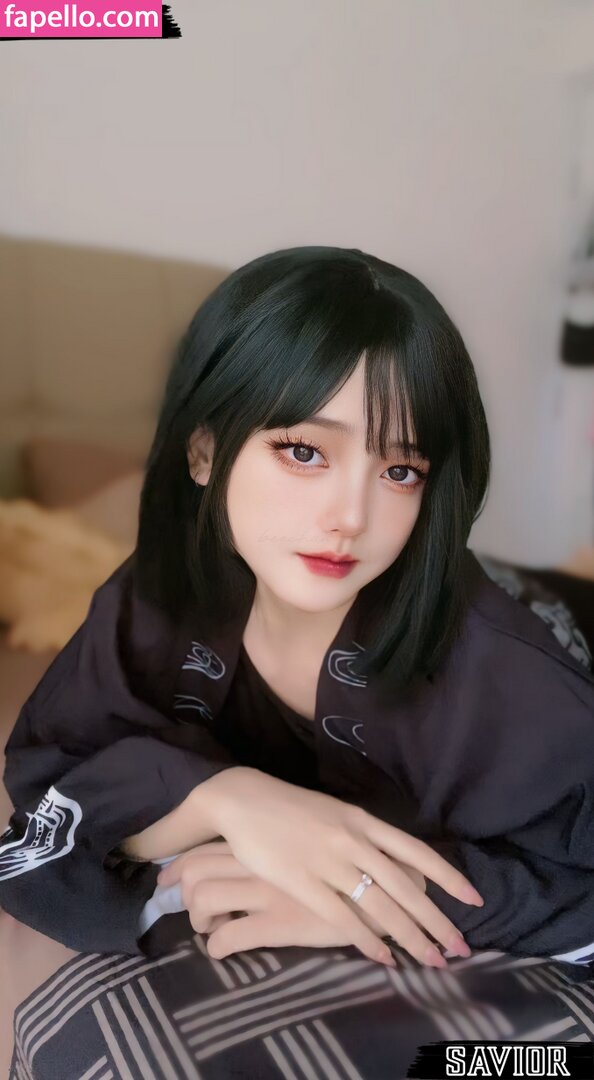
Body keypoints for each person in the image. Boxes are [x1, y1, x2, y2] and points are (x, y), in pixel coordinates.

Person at [2, 245, 594, 989]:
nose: (351, 517)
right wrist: (229, 799)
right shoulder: (154, 597)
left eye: (399, 471)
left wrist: (382, 895)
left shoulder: (507, 680)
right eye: (305, 452)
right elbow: (48, 791)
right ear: (204, 452)